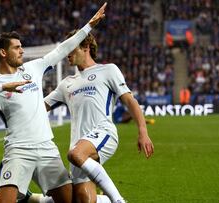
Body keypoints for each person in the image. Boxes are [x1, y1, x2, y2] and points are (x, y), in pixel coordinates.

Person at [0, 3, 108, 203]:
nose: (22, 50)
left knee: (70, 201)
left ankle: (30, 199)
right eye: (17, 47)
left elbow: (61, 49)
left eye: (21, 46)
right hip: (18, 150)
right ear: (3, 53)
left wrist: (89, 26)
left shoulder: (34, 68)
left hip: (47, 148)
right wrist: (2, 88)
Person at [42, 29, 155, 203]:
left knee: (75, 154)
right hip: (78, 145)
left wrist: (143, 131)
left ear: (86, 47)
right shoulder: (66, 84)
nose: (66, 54)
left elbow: (130, 101)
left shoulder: (108, 70)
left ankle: (118, 200)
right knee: (83, 200)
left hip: (103, 133)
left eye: (70, 48)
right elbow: (40, 107)